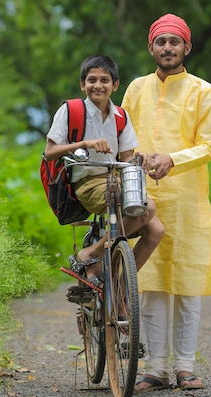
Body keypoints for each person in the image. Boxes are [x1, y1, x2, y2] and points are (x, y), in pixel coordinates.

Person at [122, 13, 211, 394]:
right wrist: (138, 156)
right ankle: (156, 369)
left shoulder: (203, 91)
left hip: (187, 200)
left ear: (187, 47)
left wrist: (172, 159)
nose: (167, 48)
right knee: (151, 283)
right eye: (160, 41)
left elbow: (209, 144)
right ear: (150, 47)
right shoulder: (135, 89)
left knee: (186, 282)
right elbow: (123, 135)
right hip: (144, 199)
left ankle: (185, 367)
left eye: (175, 41)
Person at [44, 55, 164, 288]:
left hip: (115, 177)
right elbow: (50, 152)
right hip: (87, 181)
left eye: (104, 80)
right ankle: (92, 254)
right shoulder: (71, 110)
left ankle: (120, 291)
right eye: (91, 80)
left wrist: (142, 159)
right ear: (82, 84)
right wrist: (84, 144)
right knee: (146, 208)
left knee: (156, 230)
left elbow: (127, 158)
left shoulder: (121, 116)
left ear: (115, 85)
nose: (97, 85)